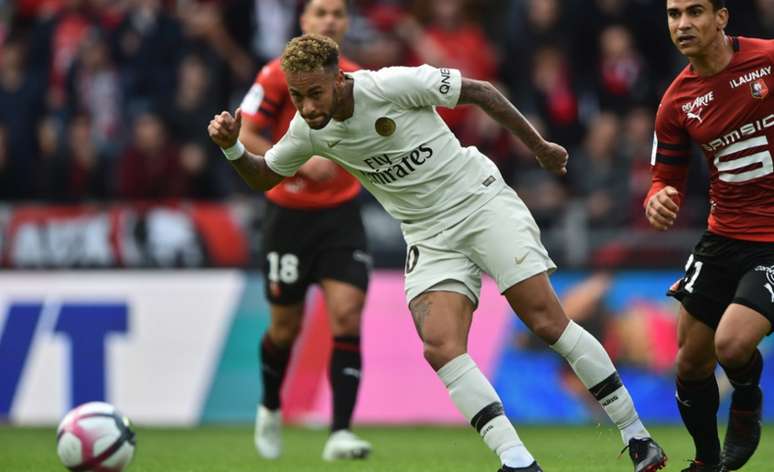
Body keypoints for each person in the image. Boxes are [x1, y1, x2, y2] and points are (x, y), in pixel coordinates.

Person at [209, 34, 667, 472]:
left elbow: (482, 92)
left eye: (314, 93)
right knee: (440, 346)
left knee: (547, 322)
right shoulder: (307, 131)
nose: (306, 107)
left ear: (339, 80)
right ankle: (517, 460)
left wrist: (540, 148)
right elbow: (265, 175)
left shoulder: (391, 85)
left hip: (480, 203)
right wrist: (231, 147)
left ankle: (636, 436)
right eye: (296, 96)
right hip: (428, 235)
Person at [236, 0, 372, 462]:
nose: (330, 20)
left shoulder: (356, 78)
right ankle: (270, 406)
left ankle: (340, 433)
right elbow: (247, 133)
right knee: (284, 328)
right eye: (320, 12)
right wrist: (296, 161)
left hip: (341, 216)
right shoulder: (274, 75)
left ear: (347, 23)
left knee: (347, 316)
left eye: (337, 13)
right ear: (304, 23)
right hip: (288, 218)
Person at [644, 1, 774, 471]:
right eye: (674, 14)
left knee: (733, 344)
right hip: (722, 238)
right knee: (690, 365)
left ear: (721, 17)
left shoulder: (768, 60)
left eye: (695, 12)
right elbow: (664, 177)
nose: (683, 24)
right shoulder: (676, 102)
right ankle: (705, 461)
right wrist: (657, 197)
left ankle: (746, 400)